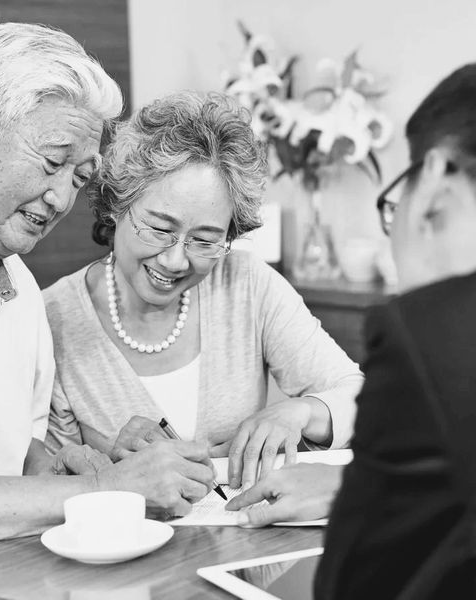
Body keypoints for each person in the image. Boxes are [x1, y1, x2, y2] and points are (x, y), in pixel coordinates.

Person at [0, 23, 215, 546]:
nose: (61, 199)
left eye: (79, 179)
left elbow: (13, 461)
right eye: (53, 163)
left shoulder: (23, 292)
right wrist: (104, 490)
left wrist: (72, 466)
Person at [235, 64, 476, 597]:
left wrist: (363, 495)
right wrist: (355, 483)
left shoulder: (431, 336)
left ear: (433, 176)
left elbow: (353, 581)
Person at [43, 91, 364, 490]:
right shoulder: (53, 320)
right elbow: (53, 481)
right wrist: (114, 471)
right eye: (159, 229)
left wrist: (299, 413)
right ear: (117, 205)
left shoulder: (247, 285)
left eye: (205, 240)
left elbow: (363, 398)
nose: (176, 261)